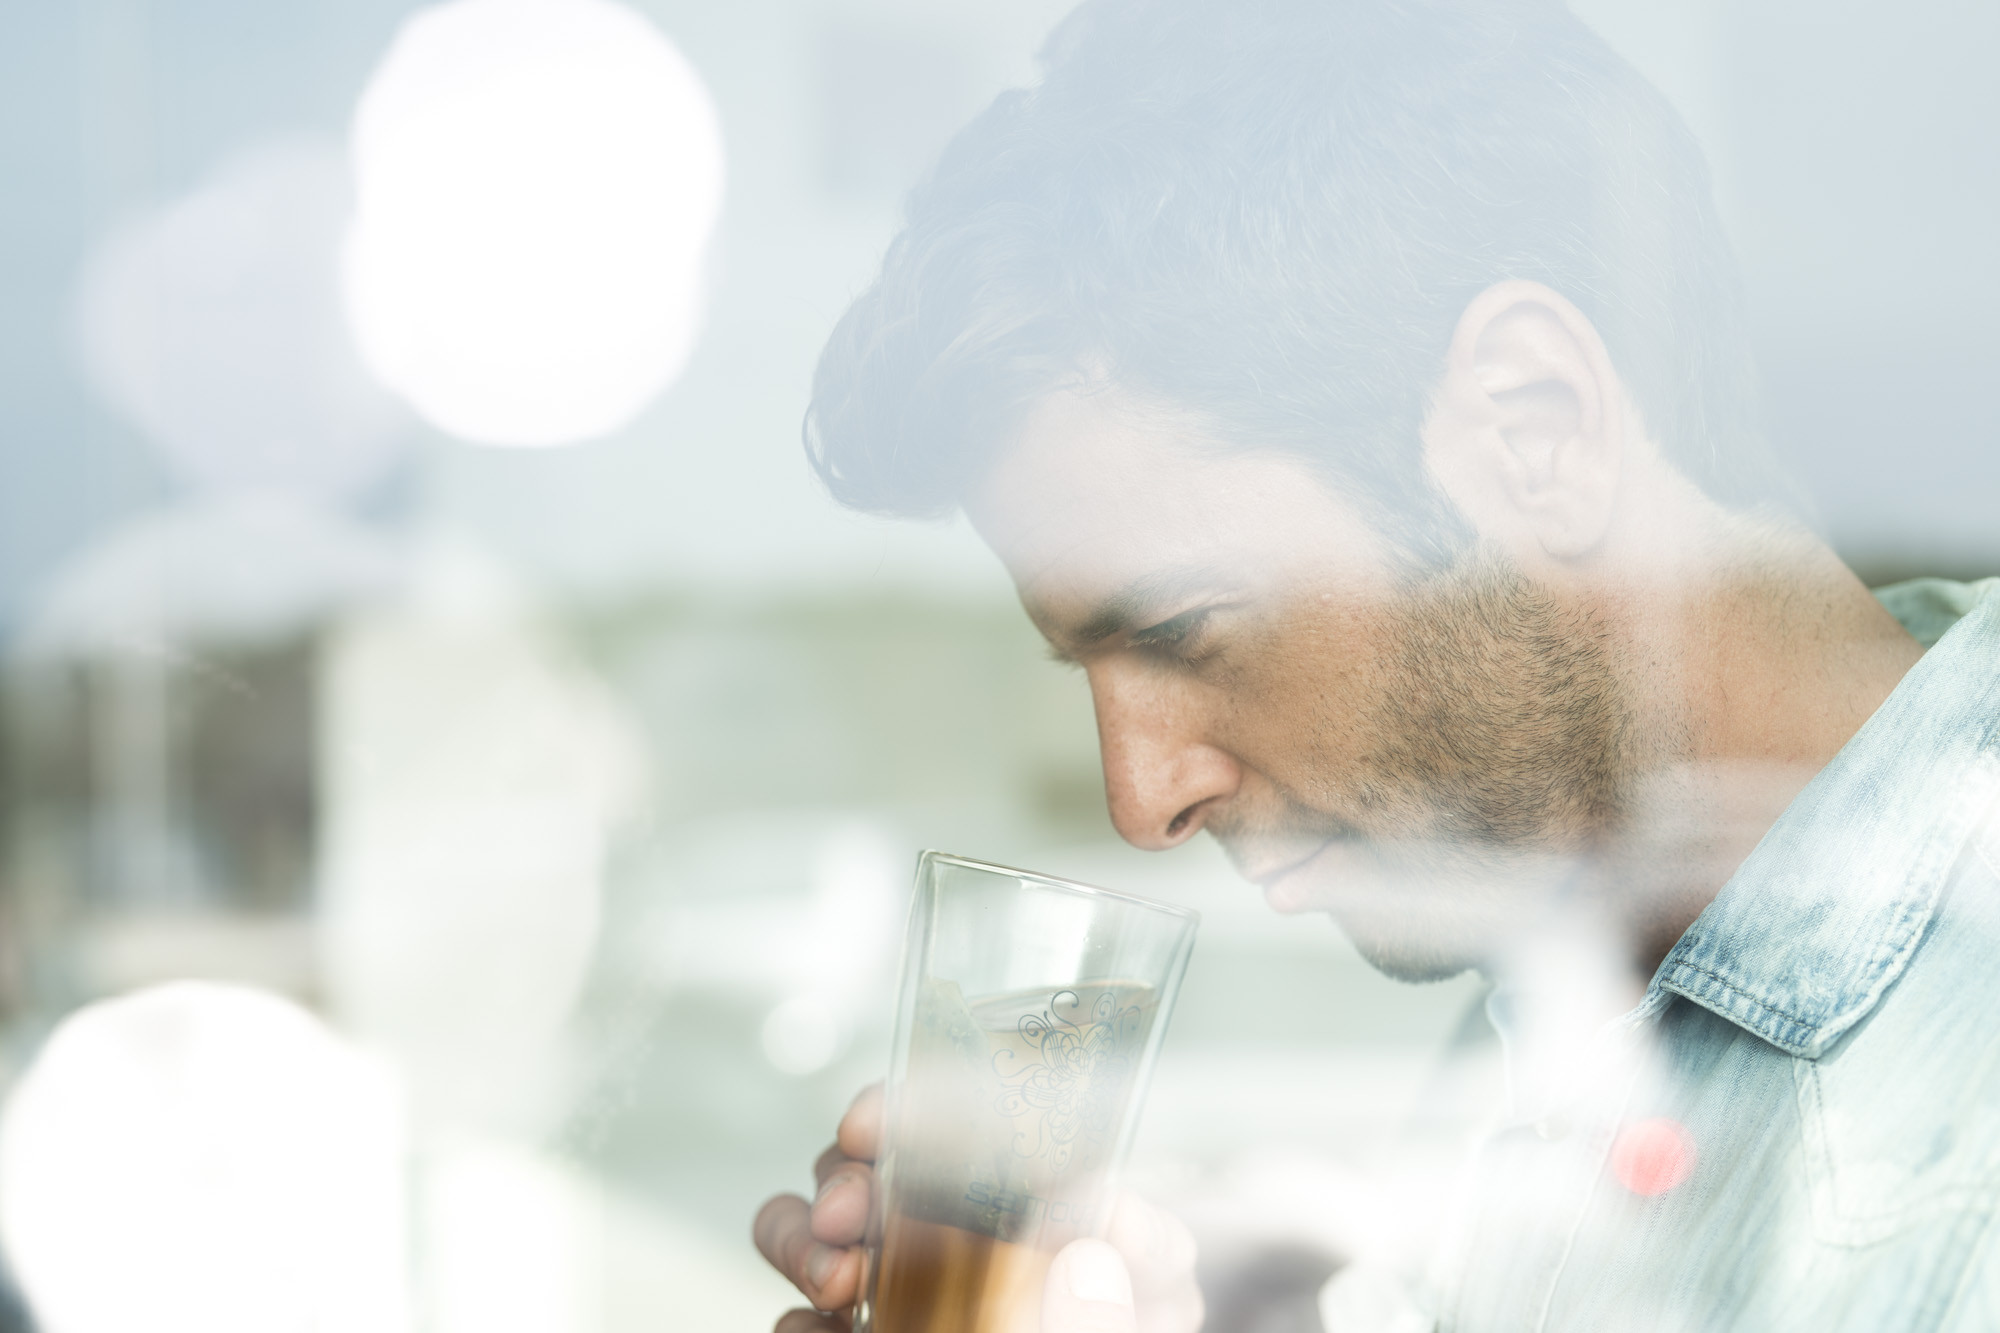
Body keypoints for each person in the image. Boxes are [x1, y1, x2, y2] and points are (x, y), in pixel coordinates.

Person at [754, 0, 2000, 1328]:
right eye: (1087, 669)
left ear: (1534, 426)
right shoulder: (1575, 989)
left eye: (1183, 631)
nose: (1141, 799)